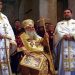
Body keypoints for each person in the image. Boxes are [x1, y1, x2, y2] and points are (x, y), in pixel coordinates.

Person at [55, 9, 75, 75]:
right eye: (65, 13)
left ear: (71, 14)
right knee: (63, 59)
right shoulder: (60, 23)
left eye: (68, 12)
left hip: (73, 43)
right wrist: (64, 35)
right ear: (63, 14)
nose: (66, 14)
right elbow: (57, 32)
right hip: (63, 43)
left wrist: (72, 36)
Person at [0, 1, 16, 75]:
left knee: (6, 61)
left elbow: (9, 29)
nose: (0, 6)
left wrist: (12, 41)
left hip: (5, 43)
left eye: (0, 4)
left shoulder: (4, 16)